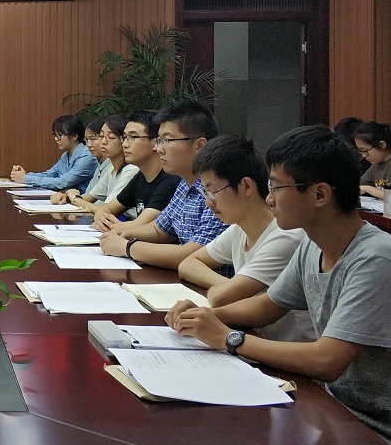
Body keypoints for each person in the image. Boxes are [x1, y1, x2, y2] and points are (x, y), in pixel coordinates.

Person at [168, 125, 391, 445]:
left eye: (276, 187)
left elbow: (327, 361)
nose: (269, 199)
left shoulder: (376, 259)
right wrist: (204, 317)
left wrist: (228, 338)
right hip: (343, 413)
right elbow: (268, 305)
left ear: (320, 194)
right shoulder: (313, 245)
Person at [176, 135, 314, 341]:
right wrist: (227, 285)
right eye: (205, 193)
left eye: (212, 191)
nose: (208, 202)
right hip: (254, 336)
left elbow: (221, 298)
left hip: (288, 349)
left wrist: (225, 290)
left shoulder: (285, 237)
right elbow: (187, 264)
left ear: (246, 186)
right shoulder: (238, 229)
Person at [100, 100, 226, 271]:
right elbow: (159, 230)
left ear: (199, 145)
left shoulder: (220, 189)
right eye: (159, 140)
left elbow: (196, 254)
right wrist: (123, 232)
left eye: (167, 140)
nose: (159, 149)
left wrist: (127, 247)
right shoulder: (184, 183)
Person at [91, 110, 179, 232]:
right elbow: (107, 209)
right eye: (124, 137)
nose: (125, 144)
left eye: (133, 137)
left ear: (156, 142)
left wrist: (106, 225)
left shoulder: (171, 180)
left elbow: (139, 226)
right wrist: (100, 216)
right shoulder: (140, 177)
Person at [10, 114, 97, 191]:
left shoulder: (87, 156)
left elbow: (62, 183)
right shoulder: (66, 155)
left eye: (59, 135)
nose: (56, 139)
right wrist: (24, 175)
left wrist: (26, 179)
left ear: (74, 136)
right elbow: (50, 174)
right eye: (55, 135)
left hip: (81, 202)